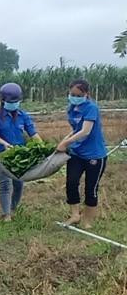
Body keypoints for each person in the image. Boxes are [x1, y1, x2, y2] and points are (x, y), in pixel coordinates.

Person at [57, 78, 108, 228]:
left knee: (90, 188)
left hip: (94, 155)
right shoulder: (72, 108)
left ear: (86, 94)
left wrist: (66, 143)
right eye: (72, 94)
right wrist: (64, 141)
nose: (75, 97)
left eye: (79, 95)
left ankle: (87, 221)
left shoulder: (91, 108)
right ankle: (75, 215)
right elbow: (75, 129)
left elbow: (85, 131)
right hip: (76, 153)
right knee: (71, 183)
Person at [0, 82, 41, 222]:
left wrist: (43, 147)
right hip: (2, 155)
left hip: (19, 156)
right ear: (3, 100)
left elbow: (32, 133)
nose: (13, 104)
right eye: (11, 102)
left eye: (16, 101)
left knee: (18, 183)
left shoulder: (23, 115)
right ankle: (6, 215)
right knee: (5, 184)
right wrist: (5, 144)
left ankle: (13, 209)